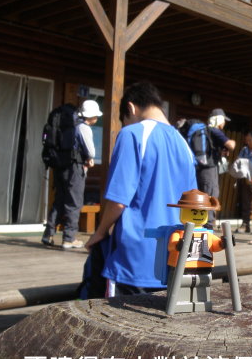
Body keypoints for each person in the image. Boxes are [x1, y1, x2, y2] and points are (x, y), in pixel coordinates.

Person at [83, 82, 197, 297]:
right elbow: (192, 206)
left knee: (115, 317)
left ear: (131, 108)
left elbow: (118, 201)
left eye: (124, 120)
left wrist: (99, 232)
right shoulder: (184, 145)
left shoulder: (132, 134)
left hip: (133, 260)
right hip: (173, 259)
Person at [42, 99, 101, 249]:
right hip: (75, 168)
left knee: (59, 200)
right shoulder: (83, 127)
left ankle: (48, 234)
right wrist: (90, 159)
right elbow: (91, 152)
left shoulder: (70, 125)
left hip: (59, 165)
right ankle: (69, 238)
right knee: (74, 203)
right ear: (92, 116)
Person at [198, 108, 236, 230]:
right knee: (211, 195)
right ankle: (208, 225)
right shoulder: (214, 130)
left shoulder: (206, 132)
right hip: (209, 169)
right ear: (219, 120)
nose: (224, 123)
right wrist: (232, 142)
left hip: (202, 168)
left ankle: (203, 223)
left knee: (206, 194)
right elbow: (231, 145)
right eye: (224, 120)